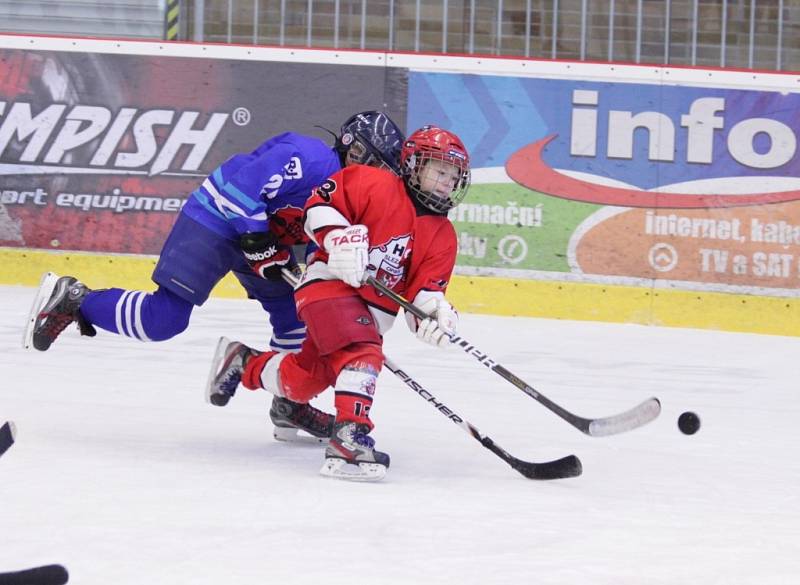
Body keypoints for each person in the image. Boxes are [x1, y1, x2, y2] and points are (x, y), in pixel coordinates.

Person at [23, 111, 406, 442]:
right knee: (162, 321)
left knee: (300, 323)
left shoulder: (356, 197)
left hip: (266, 240)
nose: (376, 175)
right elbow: (241, 186)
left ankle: (290, 404)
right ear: (352, 148)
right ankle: (76, 298)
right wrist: (256, 239)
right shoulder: (312, 158)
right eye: (373, 162)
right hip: (218, 219)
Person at [206, 125, 471, 481]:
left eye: (453, 177)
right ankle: (350, 437)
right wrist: (338, 238)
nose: (446, 182)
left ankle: (242, 362)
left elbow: (423, 293)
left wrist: (433, 314)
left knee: (304, 381)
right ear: (415, 166)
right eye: (440, 171)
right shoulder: (370, 182)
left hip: (369, 315)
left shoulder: (443, 236)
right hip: (328, 286)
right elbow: (318, 208)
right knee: (364, 354)